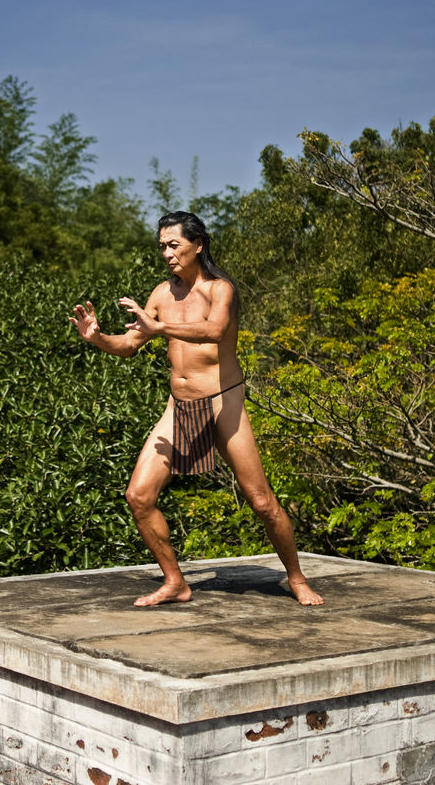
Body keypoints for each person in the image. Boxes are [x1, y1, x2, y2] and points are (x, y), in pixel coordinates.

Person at [70, 211, 324, 608]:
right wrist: (98, 337)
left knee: (260, 501)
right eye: (162, 247)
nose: (167, 253)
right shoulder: (161, 294)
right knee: (138, 496)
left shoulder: (220, 290)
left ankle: (295, 577)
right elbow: (129, 345)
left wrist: (158, 328)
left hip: (224, 402)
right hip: (180, 408)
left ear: (198, 244)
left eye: (174, 245)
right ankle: (176, 583)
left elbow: (214, 331)